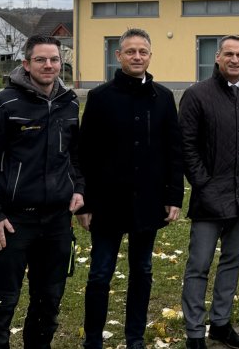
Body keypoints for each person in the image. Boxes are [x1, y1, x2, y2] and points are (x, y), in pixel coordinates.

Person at [0, 35, 86, 348]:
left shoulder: (70, 103)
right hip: (12, 223)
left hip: (57, 223)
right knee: (0, 306)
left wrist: (78, 189)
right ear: (26, 64)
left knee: (48, 304)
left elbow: (75, 156)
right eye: (40, 60)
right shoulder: (3, 104)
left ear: (62, 63)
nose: (48, 65)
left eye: (54, 60)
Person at [76, 28, 184, 349]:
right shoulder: (99, 98)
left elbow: (173, 152)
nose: (137, 57)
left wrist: (173, 196)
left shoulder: (163, 98)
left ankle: (134, 337)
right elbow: (85, 154)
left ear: (150, 56)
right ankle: (93, 340)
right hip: (107, 204)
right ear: (118, 56)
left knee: (143, 270)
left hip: (148, 203)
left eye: (143, 52)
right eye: (131, 51)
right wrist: (84, 204)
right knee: (99, 273)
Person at [178, 35, 239, 349]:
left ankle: (220, 324)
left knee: (232, 262)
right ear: (217, 57)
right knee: (199, 265)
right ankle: (194, 332)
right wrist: (202, 182)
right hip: (209, 198)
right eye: (229, 53)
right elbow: (186, 146)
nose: (235, 59)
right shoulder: (197, 95)